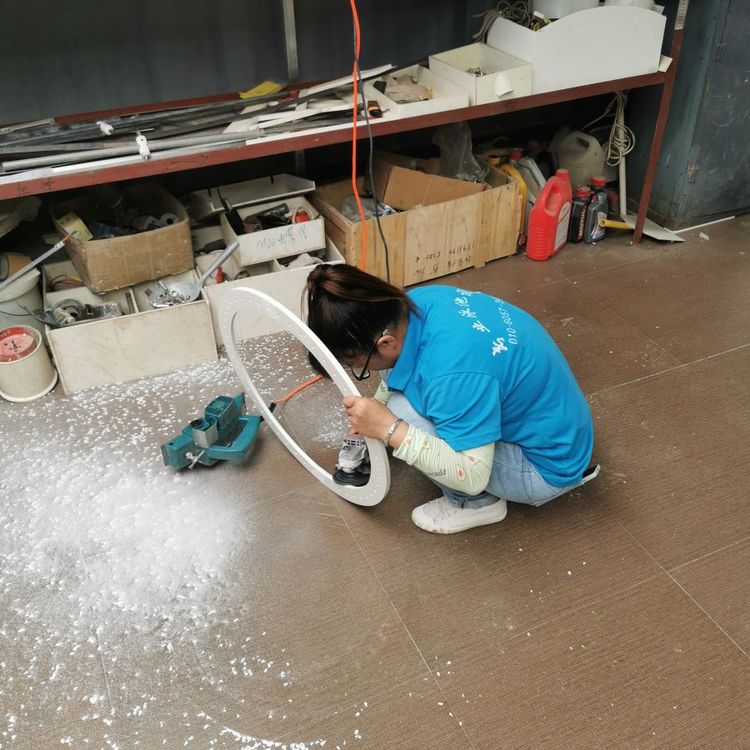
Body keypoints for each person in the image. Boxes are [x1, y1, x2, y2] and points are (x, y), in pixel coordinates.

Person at [305, 264, 597, 534]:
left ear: (386, 342)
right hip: (558, 425)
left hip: (544, 466)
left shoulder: (452, 374)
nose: (359, 369)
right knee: (395, 385)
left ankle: (476, 505)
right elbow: (410, 366)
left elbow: (473, 475)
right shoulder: (416, 303)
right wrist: (376, 411)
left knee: (403, 412)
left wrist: (388, 428)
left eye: (357, 364)